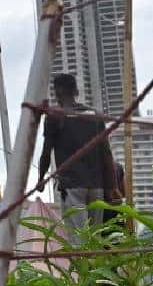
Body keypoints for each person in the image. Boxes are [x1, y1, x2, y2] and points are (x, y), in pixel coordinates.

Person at [35, 74, 120, 237]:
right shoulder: (94, 115)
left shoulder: (54, 116)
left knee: (77, 240)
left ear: (57, 93)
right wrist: (112, 187)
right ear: (76, 91)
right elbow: (106, 153)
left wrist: (41, 180)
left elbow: (46, 153)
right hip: (97, 186)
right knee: (95, 239)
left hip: (72, 186)